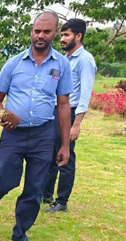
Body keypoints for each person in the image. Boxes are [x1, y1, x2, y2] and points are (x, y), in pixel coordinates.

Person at [0, 11, 72, 241]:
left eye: (46, 31)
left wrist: (65, 145)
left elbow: (64, 104)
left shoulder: (62, 65)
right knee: (6, 179)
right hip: (13, 135)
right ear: (31, 31)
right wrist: (3, 114)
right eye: (37, 30)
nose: (40, 35)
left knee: (34, 187)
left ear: (55, 33)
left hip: (43, 134)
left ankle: (20, 233)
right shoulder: (14, 64)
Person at [42, 18, 96, 213]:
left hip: (70, 113)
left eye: (66, 35)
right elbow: (53, 83)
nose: (62, 39)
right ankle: (45, 194)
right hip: (55, 112)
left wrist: (76, 123)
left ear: (78, 36)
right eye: (62, 35)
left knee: (66, 155)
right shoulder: (62, 59)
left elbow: (85, 93)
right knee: (50, 153)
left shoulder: (85, 60)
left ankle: (61, 201)